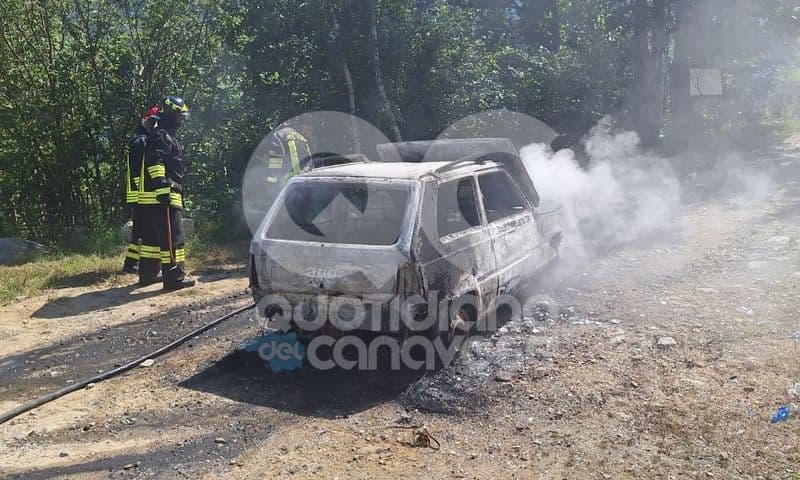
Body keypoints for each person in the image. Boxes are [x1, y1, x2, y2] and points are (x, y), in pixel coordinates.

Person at [138, 96, 195, 290]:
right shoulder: (163, 135)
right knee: (173, 239)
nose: (181, 120)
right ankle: (174, 278)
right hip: (165, 196)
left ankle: (148, 274)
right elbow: (156, 162)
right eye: (179, 116)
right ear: (170, 114)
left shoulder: (160, 134)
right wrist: (163, 188)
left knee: (151, 240)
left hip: (152, 198)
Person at [122, 106, 159, 274]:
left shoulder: (140, 138)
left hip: (139, 193)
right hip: (142, 193)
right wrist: (144, 190)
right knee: (144, 229)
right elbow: (139, 170)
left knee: (138, 230)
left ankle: (131, 263)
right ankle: (139, 264)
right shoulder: (141, 141)